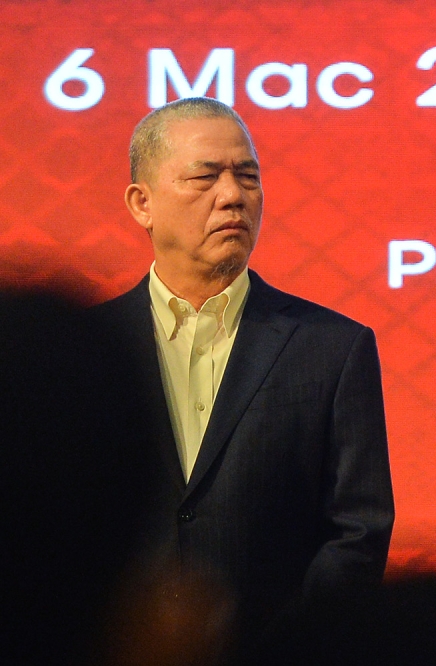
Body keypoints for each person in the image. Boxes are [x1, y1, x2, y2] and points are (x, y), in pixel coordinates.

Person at [90, 97, 394, 658]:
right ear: (141, 203)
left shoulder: (332, 346)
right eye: (204, 177)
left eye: (247, 176)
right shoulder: (86, 353)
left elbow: (358, 532)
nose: (232, 195)